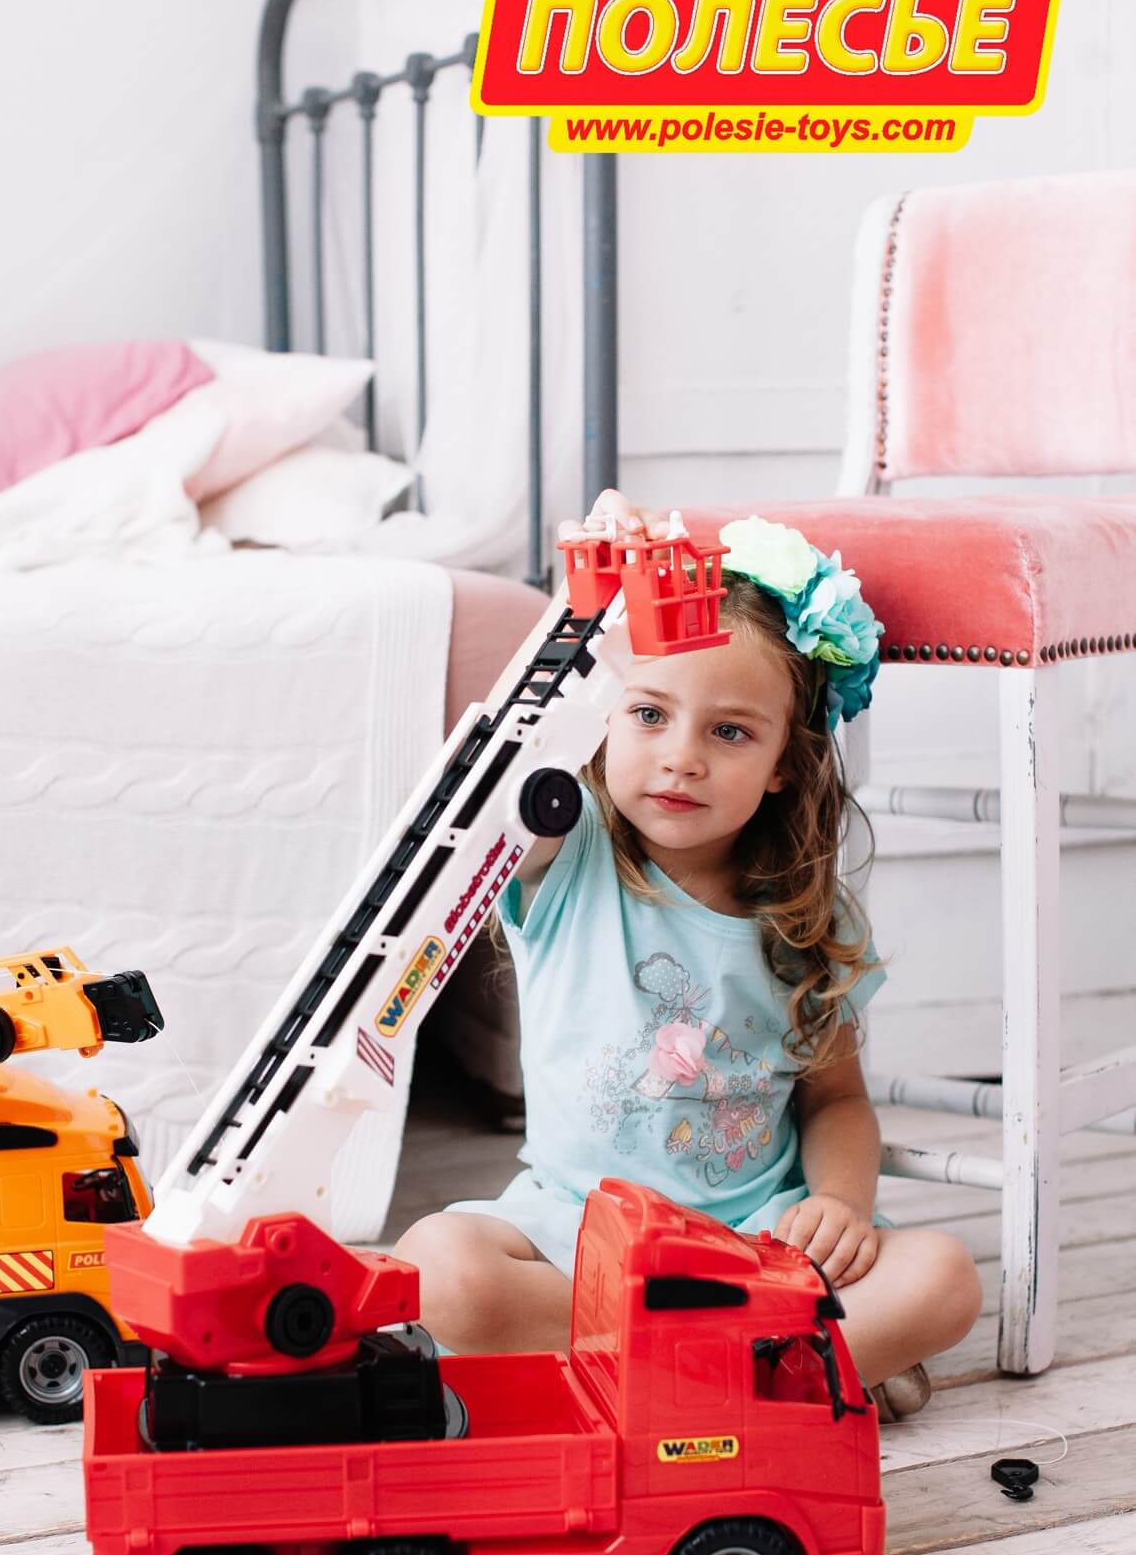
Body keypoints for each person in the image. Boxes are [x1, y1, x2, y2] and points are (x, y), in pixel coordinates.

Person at [395, 493, 983, 1419]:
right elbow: (499, 776)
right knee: (439, 1269)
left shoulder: (806, 918)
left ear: (784, 761)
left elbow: (836, 1100)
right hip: (580, 1229)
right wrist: (584, 620)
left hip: (754, 1244)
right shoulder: (566, 849)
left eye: (729, 731)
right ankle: (771, 1372)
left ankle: (670, 1370)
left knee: (943, 1277)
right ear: (604, 715)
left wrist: (838, 1202)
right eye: (647, 713)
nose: (681, 758)